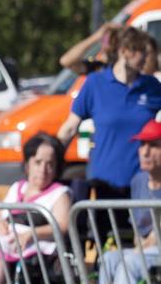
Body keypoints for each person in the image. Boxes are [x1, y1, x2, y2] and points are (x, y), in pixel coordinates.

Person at [58, 27, 161, 202]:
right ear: (124, 51)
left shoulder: (152, 86)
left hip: (142, 182)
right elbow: (69, 128)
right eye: (141, 51)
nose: (146, 57)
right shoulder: (95, 83)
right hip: (104, 183)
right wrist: (49, 157)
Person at [0, 133, 72, 284]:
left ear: (57, 167)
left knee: (3, 246)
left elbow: (62, 225)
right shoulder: (18, 187)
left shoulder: (59, 193)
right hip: (9, 236)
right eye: (38, 162)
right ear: (28, 164)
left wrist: (31, 234)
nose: (43, 169)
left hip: (37, 243)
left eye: (50, 164)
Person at [97, 120, 161, 284]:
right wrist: (140, 244)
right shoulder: (139, 181)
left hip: (154, 250)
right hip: (144, 248)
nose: (145, 151)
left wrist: (144, 245)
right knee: (108, 259)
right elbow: (137, 230)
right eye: (142, 145)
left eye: (153, 145)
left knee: (129, 263)